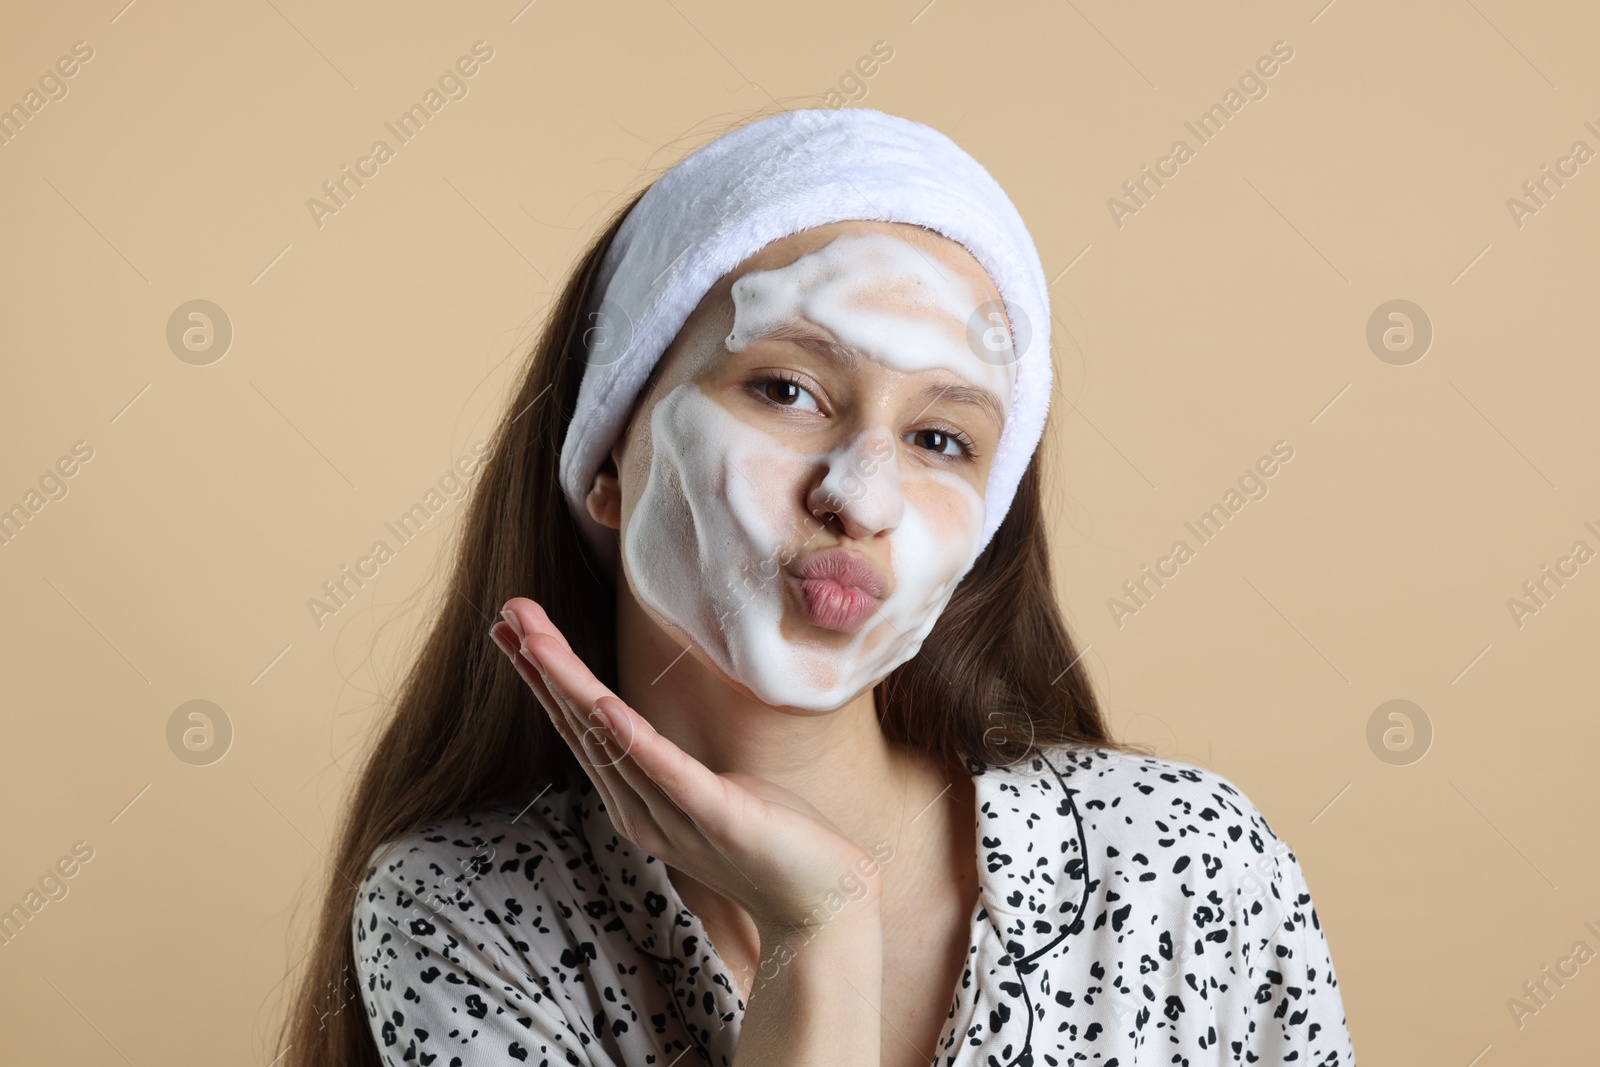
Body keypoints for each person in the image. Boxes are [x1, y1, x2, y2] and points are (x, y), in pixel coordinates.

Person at [276, 108, 1355, 1067]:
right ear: (608, 453)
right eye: (787, 387)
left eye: (941, 437)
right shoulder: (466, 915)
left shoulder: (1183, 863)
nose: (863, 496)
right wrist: (821, 933)